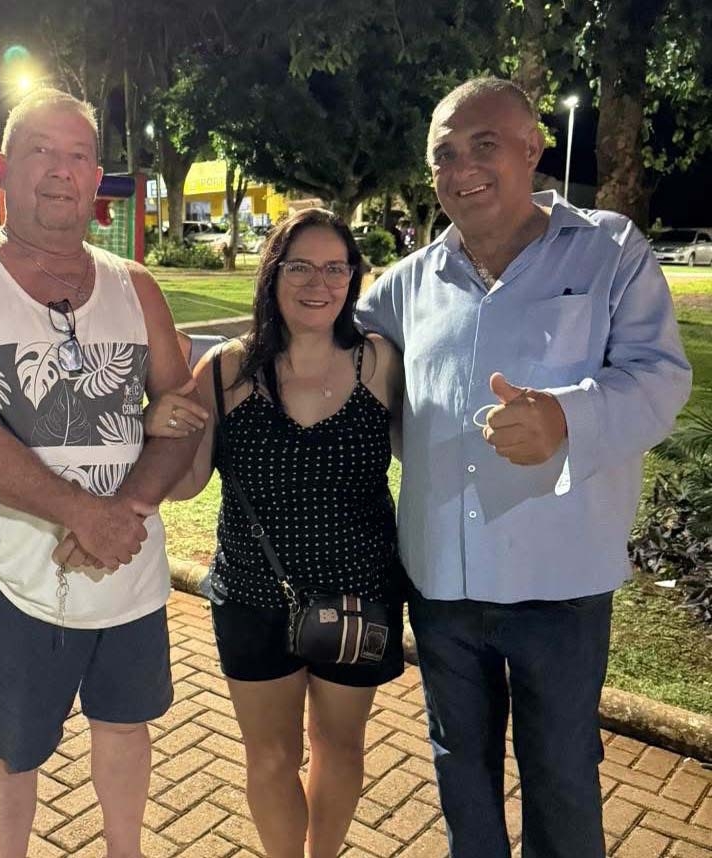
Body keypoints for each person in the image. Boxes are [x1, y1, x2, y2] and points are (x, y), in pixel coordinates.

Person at [356, 77, 692, 858]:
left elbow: (660, 378)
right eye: (444, 154)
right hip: (442, 583)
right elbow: (327, 351)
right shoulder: (407, 284)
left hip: (561, 586)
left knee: (563, 779)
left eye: (485, 145)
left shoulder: (609, 250)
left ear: (533, 148)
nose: (462, 168)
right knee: (461, 776)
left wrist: (565, 418)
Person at [0, 88, 201, 858]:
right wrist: (83, 514)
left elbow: (180, 408)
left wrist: (125, 509)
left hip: (128, 555)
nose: (60, 170)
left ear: (96, 177)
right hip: (15, 562)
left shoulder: (136, 286)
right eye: (41, 150)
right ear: (2, 167)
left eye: (77, 155)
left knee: (125, 722)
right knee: (14, 746)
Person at [145, 207, 405, 858]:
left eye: (335, 268)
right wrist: (159, 425)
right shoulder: (226, 371)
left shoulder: (379, 365)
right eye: (301, 267)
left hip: (358, 594)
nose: (319, 283)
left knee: (341, 748)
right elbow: (186, 485)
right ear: (273, 274)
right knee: (270, 756)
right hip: (254, 596)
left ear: (353, 277)